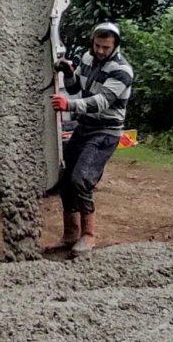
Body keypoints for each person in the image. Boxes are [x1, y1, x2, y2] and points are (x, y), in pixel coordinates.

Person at [51, 23, 134, 257]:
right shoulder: (87, 58)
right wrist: (68, 72)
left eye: (105, 47)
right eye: (97, 45)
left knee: (82, 179)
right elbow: (75, 86)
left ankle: (88, 236)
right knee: (65, 178)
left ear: (115, 46)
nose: (100, 51)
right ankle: (70, 234)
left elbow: (102, 101)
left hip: (106, 130)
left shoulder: (122, 70)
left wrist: (69, 105)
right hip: (85, 126)